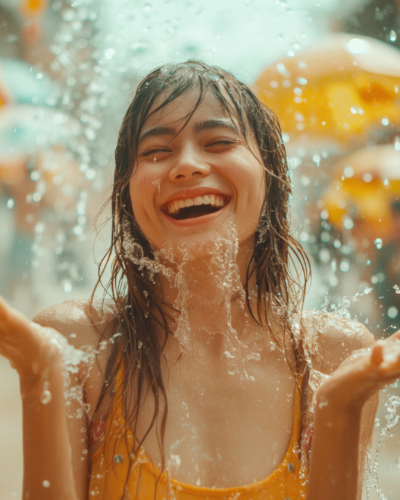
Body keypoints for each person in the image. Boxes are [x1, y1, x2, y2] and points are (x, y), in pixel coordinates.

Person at [1, 60, 400, 500]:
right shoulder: (79, 345)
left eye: (219, 141)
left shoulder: (334, 356)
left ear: (270, 174)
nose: (187, 165)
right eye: (155, 152)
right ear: (127, 192)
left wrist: (338, 410)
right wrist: (39, 372)